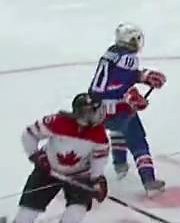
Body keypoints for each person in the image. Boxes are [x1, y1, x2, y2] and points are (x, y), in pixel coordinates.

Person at [87, 23, 166, 193]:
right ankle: (148, 181)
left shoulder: (112, 53)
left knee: (117, 132)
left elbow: (108, 82)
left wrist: (144, 77)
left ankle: (120, 165)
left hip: (100, 109)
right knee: (138, 141)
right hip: (118, 108)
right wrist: (128, 98)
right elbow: (120, 83)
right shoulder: (127, 58)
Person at [13, 94, 110, 223]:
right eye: (94, 112)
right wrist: (36, 155)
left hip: (79, 175)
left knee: (75, 214)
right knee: (26, 214)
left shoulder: (99, 134)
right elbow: (29, 135)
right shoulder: (57, 122)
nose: (99, 116)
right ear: (82, 113)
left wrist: (97, 179)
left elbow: (99, 158)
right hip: (47, 171)